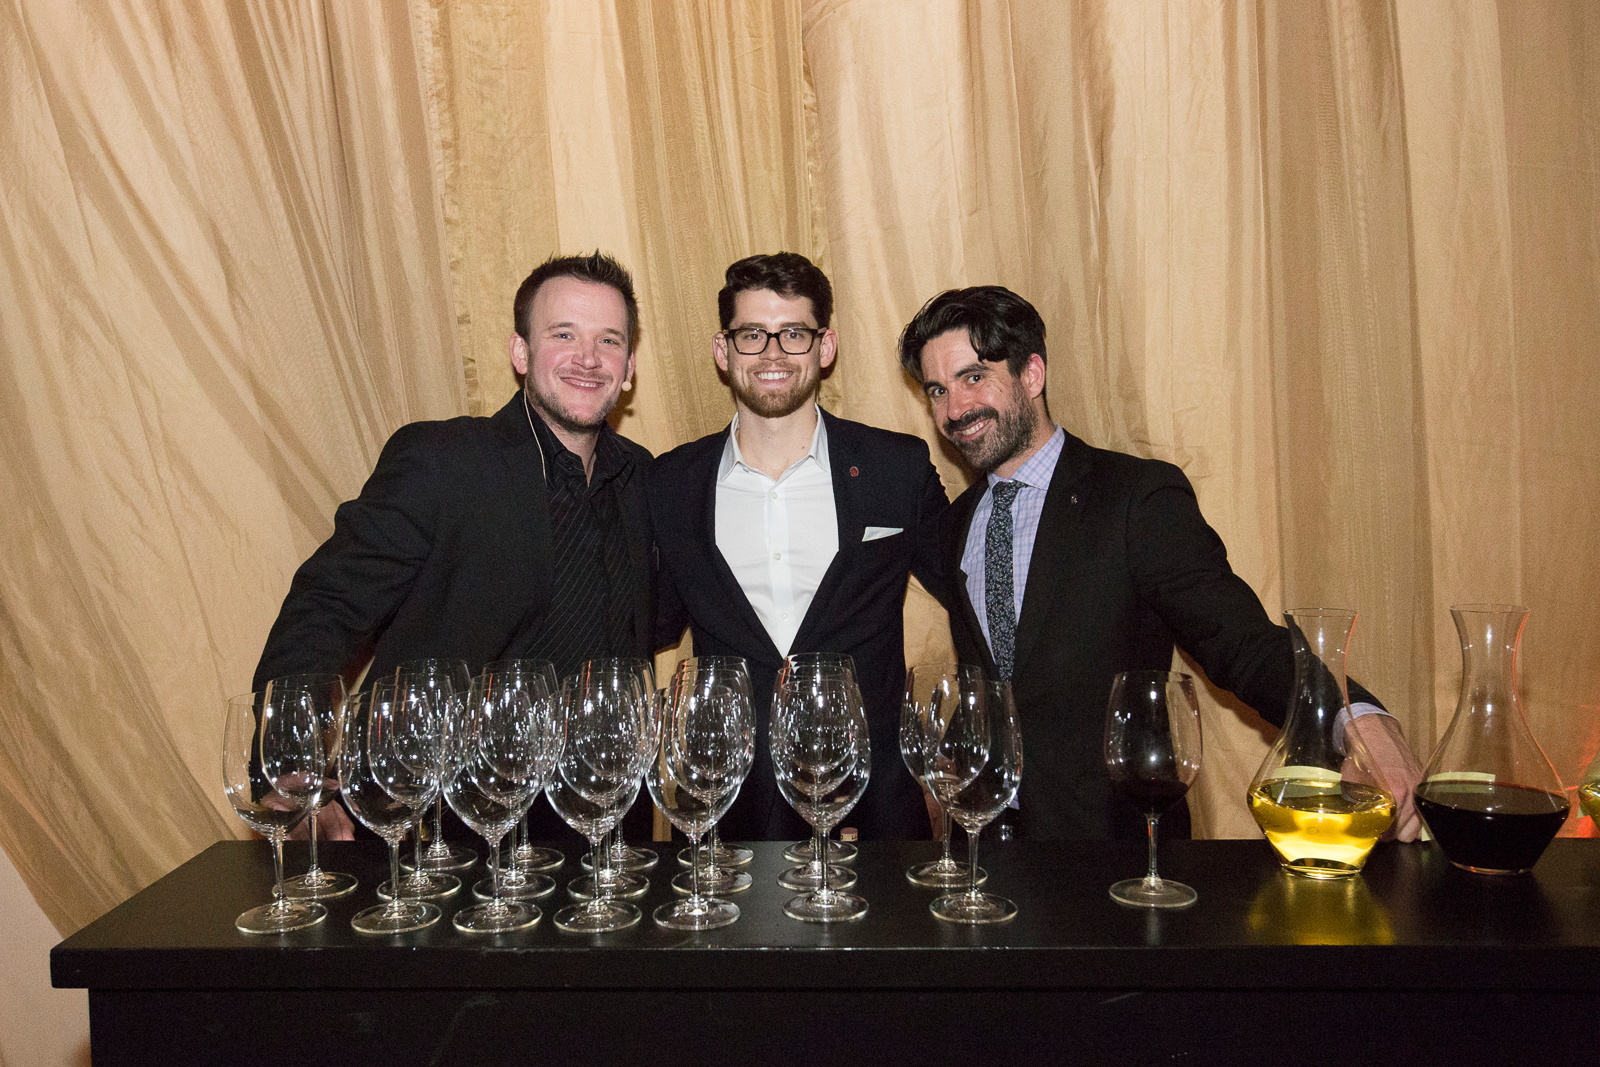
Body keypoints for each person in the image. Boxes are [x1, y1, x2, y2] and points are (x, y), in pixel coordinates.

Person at [897, 284, 1425, 842]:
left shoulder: (1135, 499)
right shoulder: (955, 525)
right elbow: (994, 677)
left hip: (1123, 859)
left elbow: (1243, 645)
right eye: (938, 390)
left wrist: (1359, 722)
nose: (954, 410)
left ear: (1032, 374)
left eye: (974, 377)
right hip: (988, 857)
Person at [254, 251, 654, 840]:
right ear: (521, 353)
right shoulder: (443, 462)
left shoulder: (642, 481)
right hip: (437, 831)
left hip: (605, 830)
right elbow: (327, 605)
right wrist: (292, 768)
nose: (588, 358)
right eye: (563, 334)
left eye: (608, 341)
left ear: (628, 367)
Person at [649, 253, 949, 840]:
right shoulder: (670, 484)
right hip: (730, 815)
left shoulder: (897, 468)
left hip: (875, 814)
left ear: (824, 347)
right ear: (723, 351)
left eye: (793, 334)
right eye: (751, 335)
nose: (772, 354)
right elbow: (644, 622)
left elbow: (972, 596)